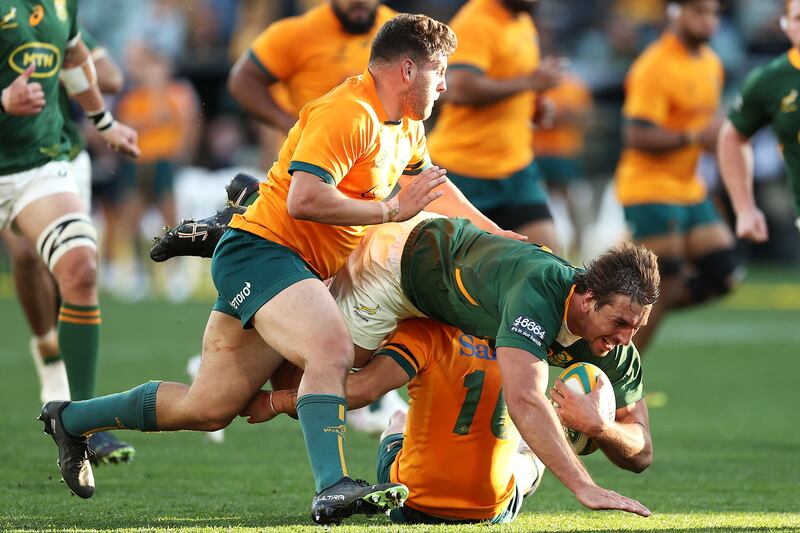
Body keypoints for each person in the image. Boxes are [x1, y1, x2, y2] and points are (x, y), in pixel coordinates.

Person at [38, 14, 521, 525]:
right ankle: (332, 486)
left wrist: (495, 233)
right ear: (407, 69)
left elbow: (434, 188)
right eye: (439, 71)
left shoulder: (406, 125)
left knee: (208, 408)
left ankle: (70, 419)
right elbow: (304, 199)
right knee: (331, 350)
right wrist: (390, 210)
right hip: (264, 254)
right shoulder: (349, 112)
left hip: (289, 265)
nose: (444, 84)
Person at [299, 213, 657, 516]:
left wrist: (601, 427)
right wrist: (583, 485)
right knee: (318, 365)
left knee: (341, 384)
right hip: (399, 262)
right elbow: (524, 400)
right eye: (620, 323)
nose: (626, 339)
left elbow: (642, 452)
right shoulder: (537, 294)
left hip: (444, 292)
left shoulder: (613, 344)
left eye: (635, 328)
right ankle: (293, 255)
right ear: (588, 299)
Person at [242, 314, 653, 525]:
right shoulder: (530, 339)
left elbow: (361, 390)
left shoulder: (425, 328)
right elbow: (642, 455)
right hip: (491, 507)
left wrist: (278, 401)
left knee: (399, 415)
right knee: (532, 442)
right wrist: (595, 426)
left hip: (408, 501)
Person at [1, 0, 138, 452]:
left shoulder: (62, 5)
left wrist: (105, 122)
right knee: (27, 258)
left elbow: (81, 58)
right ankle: (47, 352)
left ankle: (79, 423)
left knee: (79, 265)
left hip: (37, 164)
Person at [613, 0, 741, 353]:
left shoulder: (711, 63)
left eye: (713, 12)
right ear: (674, 12)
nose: (708, 20)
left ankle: (610, 323)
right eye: (698, 11)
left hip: (689, 187)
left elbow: (707, 132)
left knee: (722, 272)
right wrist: (693, 137)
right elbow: (636, 135)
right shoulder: (655, 65)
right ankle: (619, 369)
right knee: (660, 283)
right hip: (650, 187)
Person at [426, 0, 565, 250]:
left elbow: (512, 82)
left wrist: (533, 106)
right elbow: (459, 87)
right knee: (461, 266)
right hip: (465, 170)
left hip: (516, 168)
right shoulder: (475, 21)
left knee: (549, 259)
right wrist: (530, 82)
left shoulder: (522, 21)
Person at [227, 0, 395, 135]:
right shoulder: (300, 33)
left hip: (383, 159)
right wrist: (288, 124)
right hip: (314, 158)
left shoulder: (400, 32)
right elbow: (243, 80)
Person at [718, 0, 800, 242]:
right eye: (798, 19)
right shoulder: (769, 80)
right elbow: (732, 136)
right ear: (785, 25)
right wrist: (745, 208)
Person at [534, 71, 594, 259]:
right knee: (537, 201)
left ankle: (579, 245)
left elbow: (586, 117)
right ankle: (543, 245)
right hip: (538, 152)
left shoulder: (574, 85)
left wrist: (566, 117)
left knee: (572, 200)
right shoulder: (535, 82)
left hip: (565, 153)